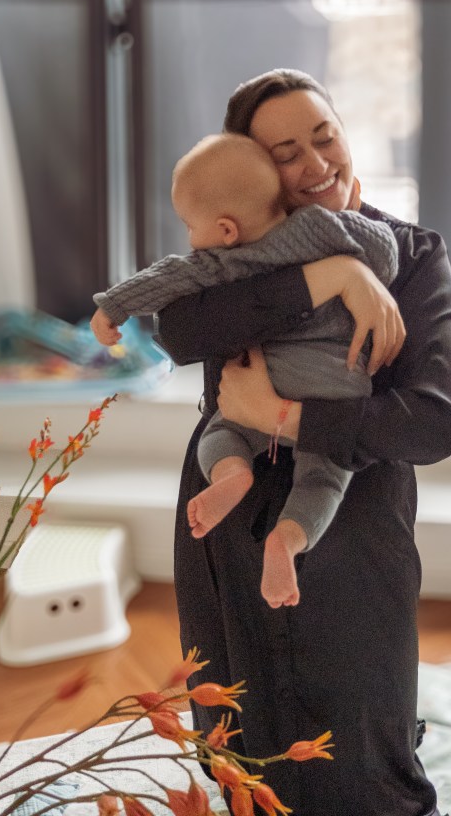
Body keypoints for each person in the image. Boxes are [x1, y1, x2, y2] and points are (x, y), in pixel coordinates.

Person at [154, 70, 451, 816]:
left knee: (365, 756)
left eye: (324, 136)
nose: (316, 163)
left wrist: (290, 418)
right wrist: (328, 276)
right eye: (286, 151)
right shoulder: (227, 260)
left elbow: (430, 422)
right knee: (241, 743)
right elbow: (178, 331)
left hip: (352, 514)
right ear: (252, 168)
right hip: (228, 514)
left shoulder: (414, 255)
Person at [91, 132, 398, 608]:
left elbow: (166, 277)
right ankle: (288, 542)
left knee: (222, 434)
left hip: (262, 379)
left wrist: (112, 307)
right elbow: (386, 253)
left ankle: (233, 474)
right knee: (325, 477)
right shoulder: (316, 227)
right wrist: (352, 229)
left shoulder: (220, 261)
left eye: (190, 226)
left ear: (226, 229)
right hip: (338, 384)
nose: (191, 239)